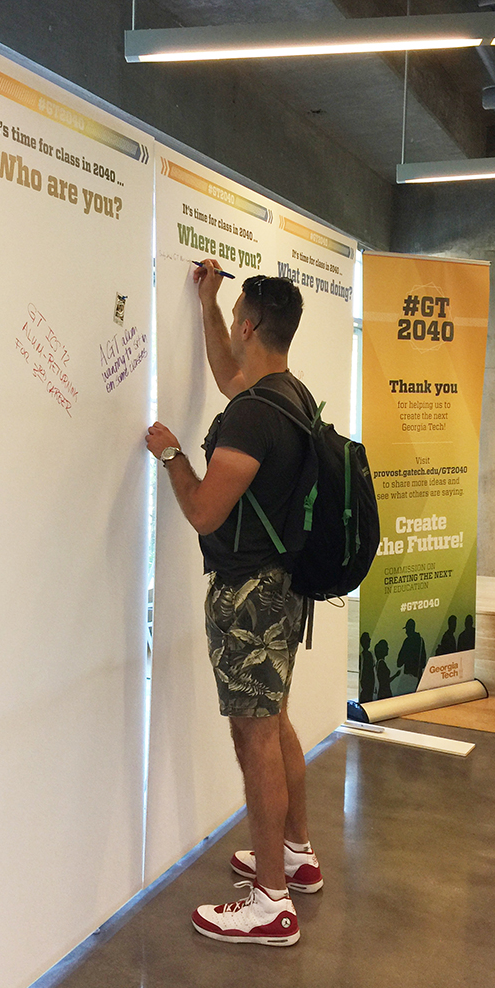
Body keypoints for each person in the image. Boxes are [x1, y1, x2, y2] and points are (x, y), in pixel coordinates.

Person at [145, 258, 322, 947]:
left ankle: (270, 900)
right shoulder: (288, 394)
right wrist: (207, 303)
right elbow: (227, 375)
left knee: (254, 739)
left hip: (249, 597)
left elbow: (203, 512)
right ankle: (297, 855)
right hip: (282, 588)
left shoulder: (254, 417)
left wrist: (170, 455)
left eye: (234, 316)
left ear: (252, 324)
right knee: (273, 722)